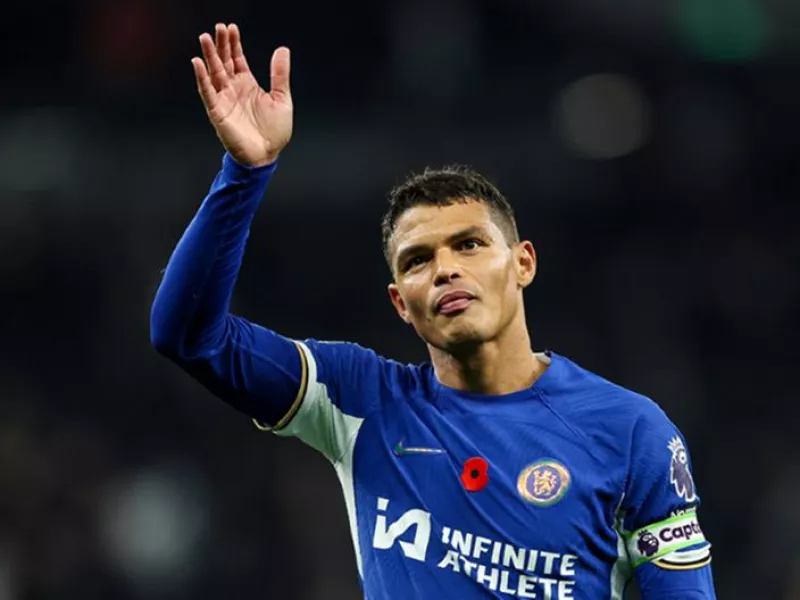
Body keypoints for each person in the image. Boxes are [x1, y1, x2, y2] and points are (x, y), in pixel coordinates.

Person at [150, 22, 717, 599]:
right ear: (400, 301)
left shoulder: (629, 431)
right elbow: (189, 336)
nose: (445, 269)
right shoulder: (362, 401)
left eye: (469, 244)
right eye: (418, 260)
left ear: (523, 263)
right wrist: (245, 174)